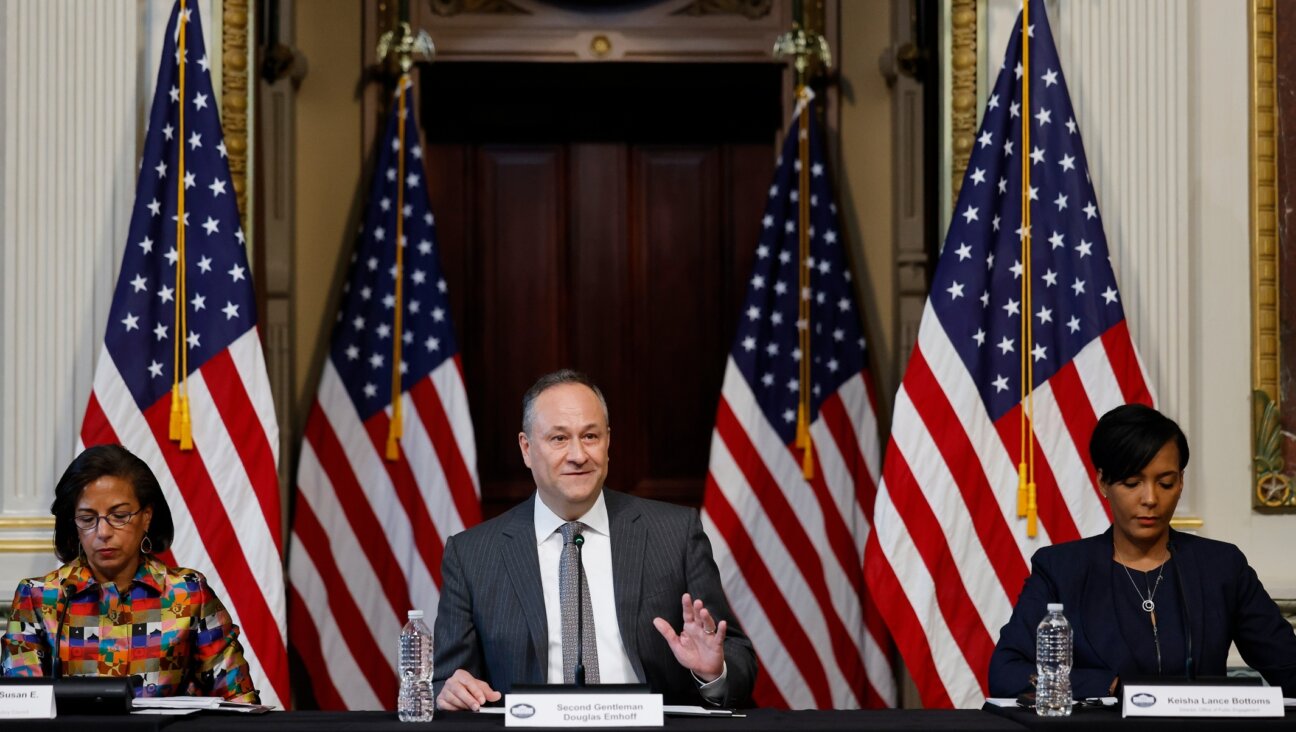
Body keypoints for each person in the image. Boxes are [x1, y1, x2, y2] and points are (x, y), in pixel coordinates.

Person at [433, 369, 757, 710]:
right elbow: (448, 678)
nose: (578, 455)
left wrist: (712, 672)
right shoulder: (472, 555)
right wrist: (451, 689)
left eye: (590, 436)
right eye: (559, 439)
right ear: (526, 449)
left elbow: (736, 656)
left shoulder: (675, 534)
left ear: (608, 443)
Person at [989, 404, 1296, 698]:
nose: (1150, 498)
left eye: (1165, 483)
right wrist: (1109, 684)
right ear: (1103, 482)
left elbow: (1288, 667)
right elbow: (1006, 673)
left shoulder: (1221, 566)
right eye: (1132, 482)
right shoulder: (1061, 569)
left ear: (1180, 483)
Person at [1, 444, 259, 702]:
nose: (102, 532)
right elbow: (21, 707)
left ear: (146, 516)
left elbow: (238, 702)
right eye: (88, 518)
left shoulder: (188, 594)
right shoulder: (39, 598)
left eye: (119, 516)